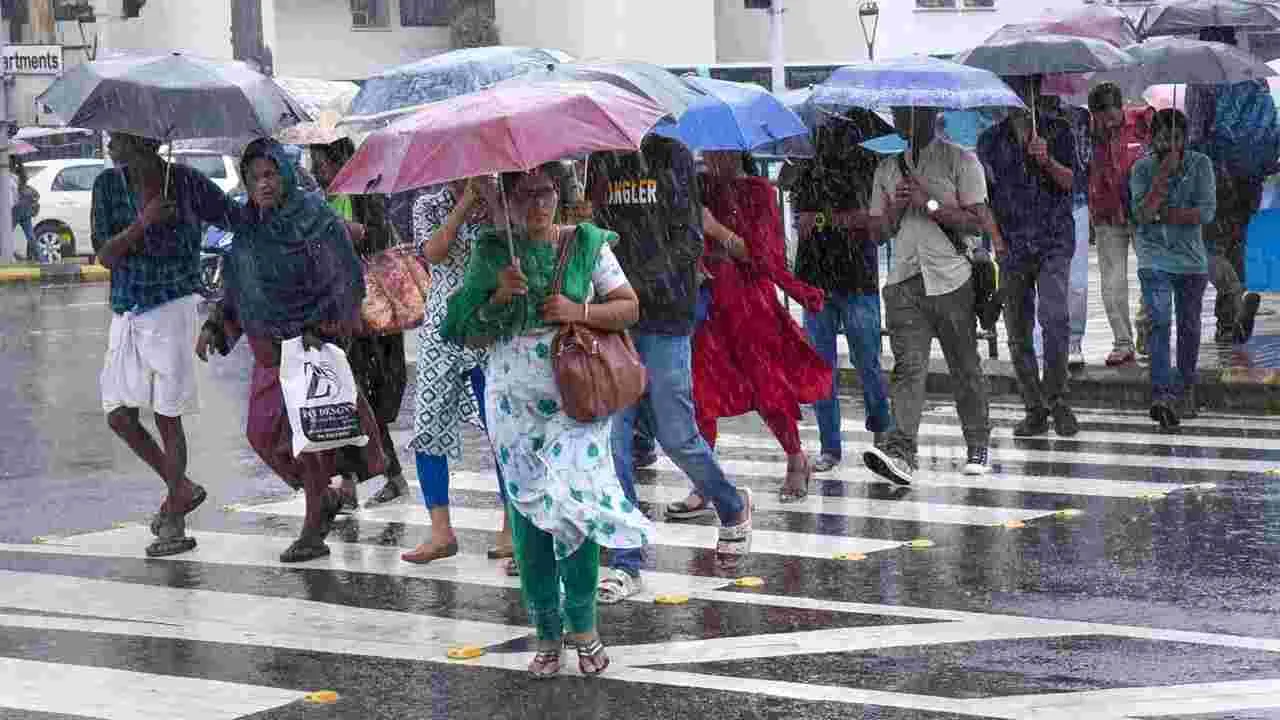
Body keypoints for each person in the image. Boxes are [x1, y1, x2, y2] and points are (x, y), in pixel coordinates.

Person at [442, 162, 653, 677]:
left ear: (560, 192)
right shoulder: (493, 251)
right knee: (531, 520)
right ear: (509, 199)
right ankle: (546, 633)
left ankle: (586, 627)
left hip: (576, 399)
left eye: (547, 192)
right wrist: (497, 296)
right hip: (512, 406)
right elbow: (462, 331)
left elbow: (628, 307)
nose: (539, 203)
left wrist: (577, 312)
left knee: (579, 510)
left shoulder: (586, 243)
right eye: (527, 194)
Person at [197, 138, 385, 562]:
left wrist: (322, 324)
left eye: (270, 175)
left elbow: (346, 277)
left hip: (310, 347)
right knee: (263, 433)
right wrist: (216, 324)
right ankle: (323, 499)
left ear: (284, 174)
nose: (263, 184)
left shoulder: (315, 219)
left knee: (311, 440)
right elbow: (239, 282)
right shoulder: (249, 227)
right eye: (254, 177)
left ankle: (313, 528)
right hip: (268, 349)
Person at [588, 136, 752, 606]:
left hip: (664, 316)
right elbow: (599, 231)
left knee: (676, 434)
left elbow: (689, 240)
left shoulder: (673, 155)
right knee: (613, 441)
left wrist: (637, 284)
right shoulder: (600, 160)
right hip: (615, 318)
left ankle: (730, 502)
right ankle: (626, 558)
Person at [91, 132, 237, 557]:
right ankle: (183, 488)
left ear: (142, 143)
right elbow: (105, 255)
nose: (110, 143)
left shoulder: (187, 183)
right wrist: (144, 222)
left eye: (118, 137)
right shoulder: (107, 185)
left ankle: (174, 516)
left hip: (172, 307)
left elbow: (232, 217)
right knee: (118, 413)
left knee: (167, 416)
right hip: (127, 309)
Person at [863, 106, 992, 484]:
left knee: (964, 366)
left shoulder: (961, 160)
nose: (904, 120)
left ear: (929, 115)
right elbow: (877, 232)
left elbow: (977, 222)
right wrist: (899, 208)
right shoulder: (887, 170)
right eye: (900, 113)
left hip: (952, 278)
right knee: (908, 369)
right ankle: (902, 451)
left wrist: (930, 204)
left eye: (911, 113)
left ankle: (977, 442)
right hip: (904, 281)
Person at [695, 150, 830, 499]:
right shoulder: (698, 187)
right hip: (709, 301)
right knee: (702, 391)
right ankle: (704, 480)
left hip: (750, 304)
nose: (711, 157)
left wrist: (715, 229)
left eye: (716, 149)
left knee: (769, 387)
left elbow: (762, 257)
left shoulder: (759, 192)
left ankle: (795, 458)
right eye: (708, 150)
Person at [402, 176, 514, 566]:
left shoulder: (501, 198)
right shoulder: (427, 203)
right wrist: (465, 201)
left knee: (501, 425)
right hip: (442, 325)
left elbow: (509, 250)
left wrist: (493, 204)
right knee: (428, 425)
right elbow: (434, 252)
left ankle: (511, 525)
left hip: (488, 322)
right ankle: (440, 530)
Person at [791, 108, 895, 472]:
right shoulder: (803, 166)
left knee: (867, 363)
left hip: (857, 278)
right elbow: (797, 217)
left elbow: (870, 219)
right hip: (817, 279)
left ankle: (884, 434)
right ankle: (830, 446)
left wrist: (822, 218)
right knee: (822, 367)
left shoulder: (865, 163)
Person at [978, 75, 1079, 438]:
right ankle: (1033, 405)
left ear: (1037, 91)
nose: (1019, 98)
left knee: (1055, 318)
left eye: (1026, 90)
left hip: (1053, 239)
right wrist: (994, 240)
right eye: (1013, 90)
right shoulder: (990, 140)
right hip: (1012, 243)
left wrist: (1047, 159)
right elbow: (983, 198)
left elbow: (1071, 182)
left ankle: (1058, 398)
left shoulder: (1059, 130)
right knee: (1017, 331)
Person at [310, 138, 409, 510]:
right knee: (345, 399)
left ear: (341, 161)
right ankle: (351, 482)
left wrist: (336, 225)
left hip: (371, 315)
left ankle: (392, 478)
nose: (319, 171)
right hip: (339, 313)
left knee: (365, 402)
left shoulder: (364, 192)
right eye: (314, 163)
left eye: (323, 163)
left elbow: (375, 237)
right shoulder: (325, 199)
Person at [1130, 109, 1216, 429]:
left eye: (1177, 137)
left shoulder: (1201, 165)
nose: (1171, 143)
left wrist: (1163, 214)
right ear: (1153, 139)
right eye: (1164, 137)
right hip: (1154, 258)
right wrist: (1163, 175)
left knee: (1189, 327)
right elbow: (1141, 215)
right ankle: (1162, 393)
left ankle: (1185, 388)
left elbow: (1205, 213)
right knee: (1160, 321)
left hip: (1191, 261)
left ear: (1186, 138)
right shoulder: (1142, 169)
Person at [1188, 27, 1269, 346]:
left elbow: (1194, 134)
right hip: (1252, 173)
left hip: (1215, 173)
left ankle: (1238, 297)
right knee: (1237, 245)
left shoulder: (1202, 78)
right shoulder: (1254, 74)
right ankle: (1228, 324)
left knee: (1207, 247)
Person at [1088, 84, 1150, 367]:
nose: (1108, 116)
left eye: (1111, 108)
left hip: (1142, 215)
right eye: (1100, 111)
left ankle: (1147, 329)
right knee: (1113, 283)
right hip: (1107, 217)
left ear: (1120, 105)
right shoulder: (1087, 135)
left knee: (1152, 275)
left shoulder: (1141, 123)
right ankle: (1122, 342)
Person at [11, 157, 38, 262]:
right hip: (25, 209)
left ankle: (13, 256)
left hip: (16, 209)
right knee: (30, 236)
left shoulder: (10, 176)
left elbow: (12, 196)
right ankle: (41, 259)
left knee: (5, 235)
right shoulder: (21, 173)